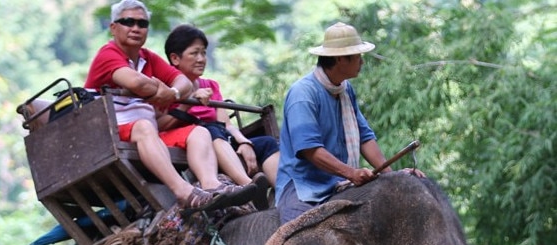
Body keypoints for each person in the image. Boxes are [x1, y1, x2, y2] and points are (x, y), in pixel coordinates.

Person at [84, 0, 258, 215]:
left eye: (142, 23)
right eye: (128, 22)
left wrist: (173, 93)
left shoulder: (147, 57)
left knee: (199, 132)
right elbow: (136, 83)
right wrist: (160, 86)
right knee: (144, 127)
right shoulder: (108, 54)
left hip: (148, 133)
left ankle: (212, 186)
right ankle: (183, 192)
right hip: (112, 132)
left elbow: (183, 83)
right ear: (113, 27)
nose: (136, 28)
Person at [276, 22, 426, 224]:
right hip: (303, 188)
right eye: (357, 56)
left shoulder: (346, 90)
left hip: (339, 181)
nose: (362, 62)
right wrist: (351, 173)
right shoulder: (303, 94)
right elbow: (310, 150)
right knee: (302, 243)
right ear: (340, 59)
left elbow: (365, 138)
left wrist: (392, 177)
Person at [160, 24, 280, 209]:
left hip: (221, 137)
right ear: (175, 58)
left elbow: (226, 124)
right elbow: (161, 124)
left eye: (203, 53)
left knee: (266, 144)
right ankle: (249, 186)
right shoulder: (167, 87)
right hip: (194, 142)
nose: (201, 59)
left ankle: (283, 193)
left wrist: (243, 142)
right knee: (210, 129)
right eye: (194, 53)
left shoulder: (211, 85)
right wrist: (189, 100)